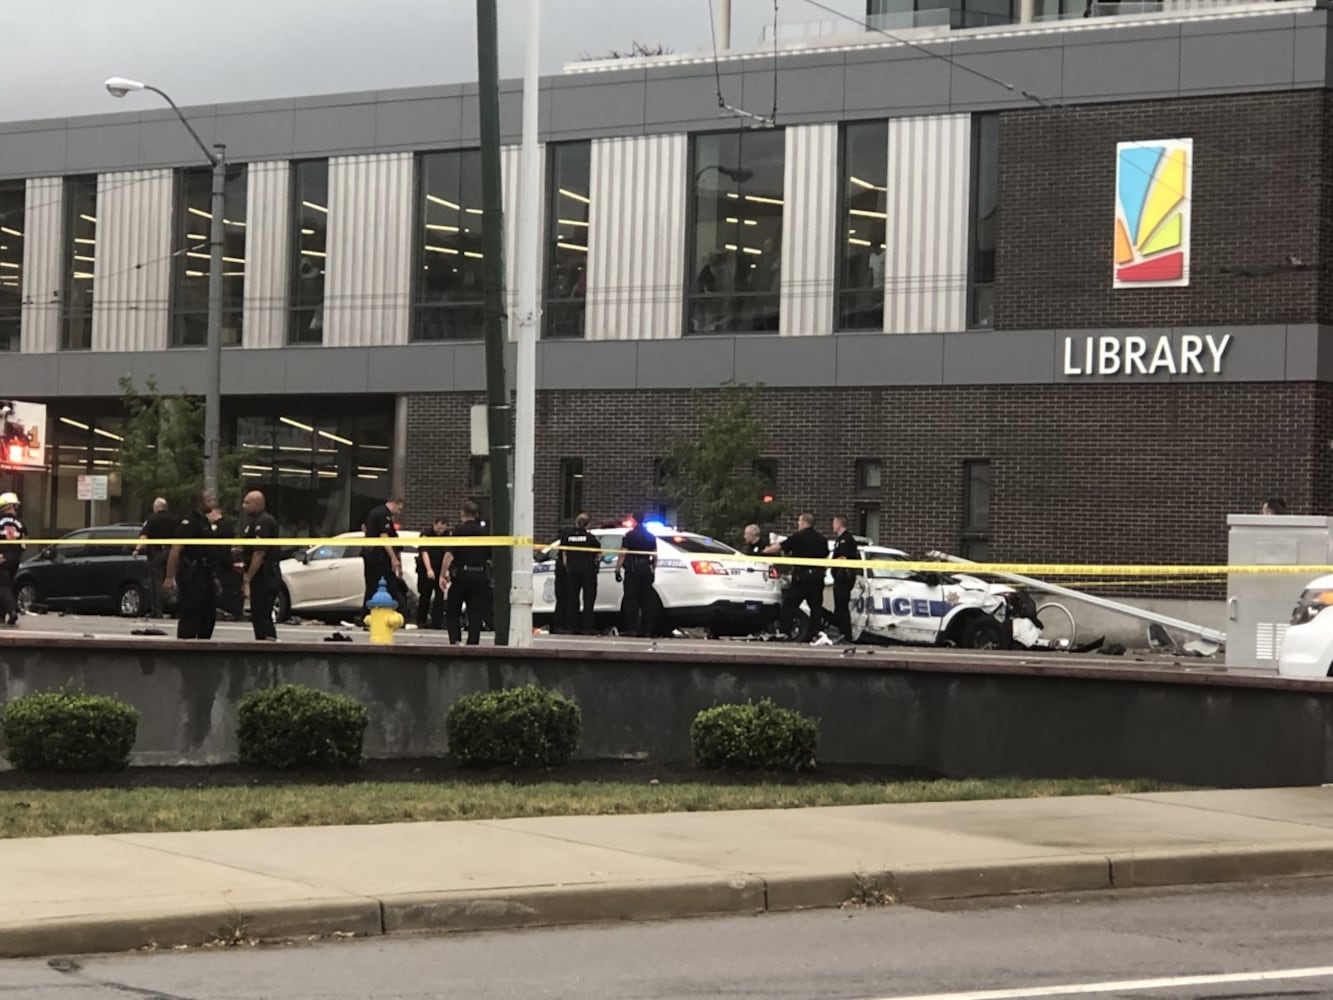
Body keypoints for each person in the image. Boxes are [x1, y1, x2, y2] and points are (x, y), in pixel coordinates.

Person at [764, 513, 828, 643]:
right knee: (816, 607)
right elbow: (825, 555)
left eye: (799, 521)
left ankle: (785, 631)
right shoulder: (821, 539)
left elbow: (780, 547)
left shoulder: (798, 537)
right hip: (817, 578)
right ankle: (815, 633)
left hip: (801, 578)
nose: (798, 524)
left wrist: (765, 551)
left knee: (789, 605)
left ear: (804, 522)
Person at [164, 491, 219, 640]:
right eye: (209, 500)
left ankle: (203, 647)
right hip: (192, 574)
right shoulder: (189, 522)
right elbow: (175, 550)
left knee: (208, 615)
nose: (212, 503)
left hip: (206, 573)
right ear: (199, 502)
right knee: (191, 612)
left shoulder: (205, 522)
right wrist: (169, 577)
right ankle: (185, 648)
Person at [443, 500, 491, 645]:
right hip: (480, 576)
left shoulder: (458, 531)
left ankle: (455, 640)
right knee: (475, 613)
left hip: (461, 576)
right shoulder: (484, 532)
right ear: (476, 515)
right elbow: (489, 555)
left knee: (452, 609)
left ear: (462, 514)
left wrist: (442, 574)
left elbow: (449, 555)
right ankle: (473, 643)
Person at [241, 490, 282, 641]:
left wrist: (248, 577)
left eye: (247, 502)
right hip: (261, 574)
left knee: (262, 612)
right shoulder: (253, 522)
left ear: (258, 504)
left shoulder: (264, 521)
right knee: (257, 613)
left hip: (265, 574)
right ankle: (262, 641)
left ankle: (268, 644)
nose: (243, 506)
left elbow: (259, 553)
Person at [615, 513, 659, 637]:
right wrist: (653, 569)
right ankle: (646, 629)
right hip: (646, 569)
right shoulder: (650, 536)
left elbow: (623, 553)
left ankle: (632, 628)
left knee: (631, 600)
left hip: (633, 570)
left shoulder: (629, 536)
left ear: (634, 521)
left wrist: (617, 569)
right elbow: (655, 555)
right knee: (646, 601)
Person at [362, 495, 407, 616]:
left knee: (373, 586)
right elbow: (384, 537)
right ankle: (396, 615)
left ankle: (368, 615)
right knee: (386, 585)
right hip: (379, 557)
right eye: (399, 509)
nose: (398, 512)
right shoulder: (384, 515)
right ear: (395, 503)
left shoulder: (376, 511)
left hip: (372, 555)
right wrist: (393, 557)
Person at [135, 497, 176, 619]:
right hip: (172, 553)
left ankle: (157, 611)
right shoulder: (175, 519)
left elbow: (144, 536)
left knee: (156, 582)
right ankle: (175, 609)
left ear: (157, 507)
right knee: (173, 580)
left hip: (157, 553)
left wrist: (137, 549)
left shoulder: (151, 519)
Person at [560, 512, 601, 634]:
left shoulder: (567, 536)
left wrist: (568, 567)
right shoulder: (590, 538)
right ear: (588, 524)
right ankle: (587, 628)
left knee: (572, 599)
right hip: (588, 572)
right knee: (588, 600)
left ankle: (572, 627)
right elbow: (599, 554)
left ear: (576, 522)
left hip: (572, 571)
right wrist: (597, 563)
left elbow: (564, 555)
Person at [829, 515, 861, 644]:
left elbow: (844, 558)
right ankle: (840, 632)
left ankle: (846, 634)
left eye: (834, 523)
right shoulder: (840, 539)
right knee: (839, 606)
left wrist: (828, 563)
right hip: (839, 577)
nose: (832, 526)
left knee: (842, 606)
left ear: (839, 524)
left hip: (844, 578)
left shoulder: (846, 540)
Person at [416, 516, 450, 630]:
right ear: (434, 525)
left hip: (441, 569)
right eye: (438, 528)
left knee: (440, 597)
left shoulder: (448, 536)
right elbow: (424, 552)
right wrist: (429, 569)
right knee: (425, 595)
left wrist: (445, 572)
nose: (440, 531)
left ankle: (437, 623)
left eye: (442, 528)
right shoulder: (426, 534)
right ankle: (421, 621)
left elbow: (448, 554)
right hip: (426, 569)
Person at [0, 492, 25, 627]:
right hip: (14, 558)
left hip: (2, 557)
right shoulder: (20, 524)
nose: (15, 510)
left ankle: (12, 610)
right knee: (6, 586)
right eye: (14, 507)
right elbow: (24, 543)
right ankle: (2, 616)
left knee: (2, 587)